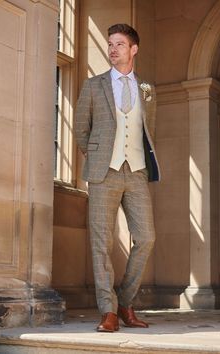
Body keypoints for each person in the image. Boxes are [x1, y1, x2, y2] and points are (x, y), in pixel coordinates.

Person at [75, 23, 160, 332]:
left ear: (133, 49)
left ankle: (124, 301)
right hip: (103, 172)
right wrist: (96, 157)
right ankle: (108, 311)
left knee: (147, 237)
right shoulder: (93, 86)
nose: (113, 49)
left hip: (136, 172)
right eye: (110, 44)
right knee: (101, 242)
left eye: (120, 44)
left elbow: (149, 130)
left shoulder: (147, 89)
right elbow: (81, 129)